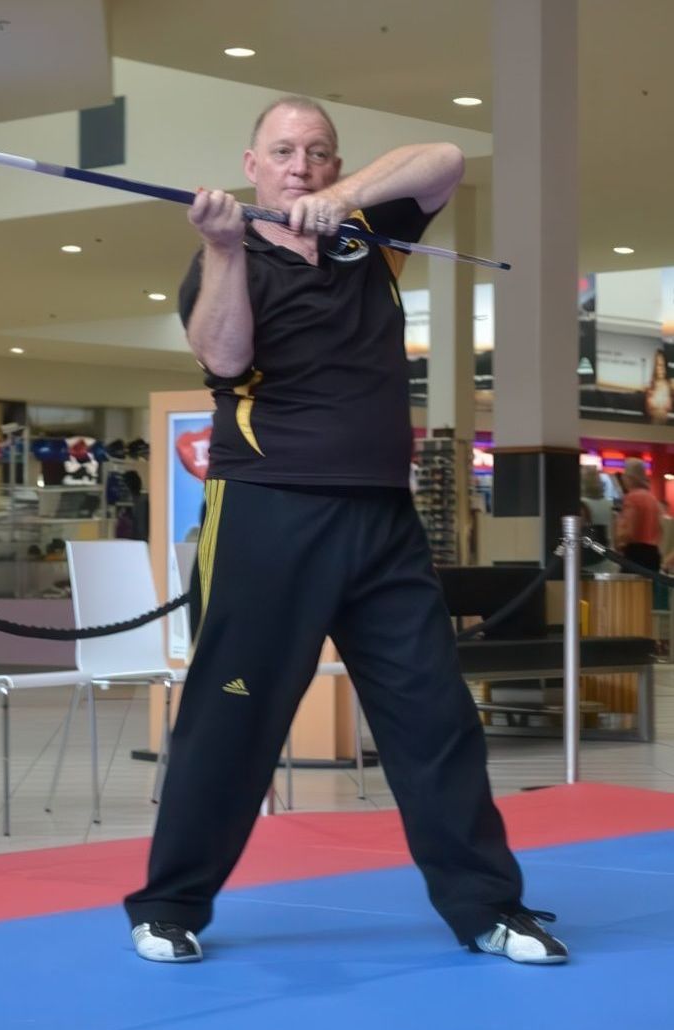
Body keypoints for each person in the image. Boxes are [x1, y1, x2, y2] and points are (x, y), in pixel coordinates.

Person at [124, 96, 568, 967]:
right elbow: (221, 359)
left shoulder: (364, 237)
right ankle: (169, 904)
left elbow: (442, 157)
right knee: (233, 719)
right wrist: (219, 248)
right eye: (284, 151)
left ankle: (488, 908)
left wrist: (349, 197)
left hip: (382, 520)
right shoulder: (226, 253)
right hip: (268, 511)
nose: (301, 164)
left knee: (435, 716)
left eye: (318, 153)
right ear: (252, 164)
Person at [615, 457, 662, 571]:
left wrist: (619, 542)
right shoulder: (653, 499)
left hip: (635, 554)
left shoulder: (632, 498)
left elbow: (629, 531)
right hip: (653, 553)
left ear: (630, 478)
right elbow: (660, 529)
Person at [644, 349, 673, 424]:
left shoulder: (669, 385)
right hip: (652, 427)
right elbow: (648, 410)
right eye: (658, 365)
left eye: (662, 365)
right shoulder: (650, 387)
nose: (661, 369)